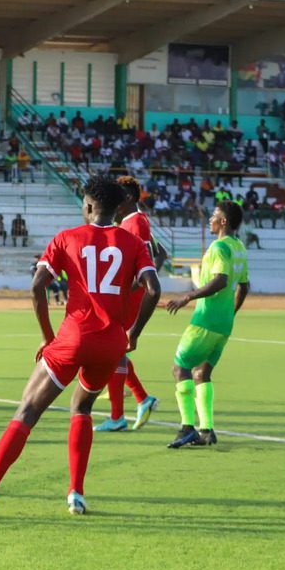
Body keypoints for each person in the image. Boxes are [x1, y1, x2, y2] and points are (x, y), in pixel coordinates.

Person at [0, 175, 161, 518]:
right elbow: (153, 289)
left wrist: (47, 336)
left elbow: (37, 285)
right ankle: (76, 493)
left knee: (27, 411)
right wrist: (134, 332)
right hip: (111, 343)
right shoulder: (132, 242)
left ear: (87, 206)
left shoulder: (67, 237)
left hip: (73, 337)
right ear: (118, 209)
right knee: (82, 408)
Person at [165, 201, 251, 448]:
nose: (210, 219)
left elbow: (221, 280)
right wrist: (231, 312)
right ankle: (207, 430)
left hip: (205, 320)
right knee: (202, 373)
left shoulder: (219, 247)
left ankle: (186, 427)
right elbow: (244, 286)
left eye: (214, 215)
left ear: (223, 221)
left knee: (179, 368)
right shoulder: (240, 248)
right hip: (224, 324)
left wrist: (187, 297)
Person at [94, 177, 160, 433]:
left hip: (128, 298)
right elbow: (159, 253)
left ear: (129, 198)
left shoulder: (137, 223)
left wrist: (128, 289)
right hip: (125, 295)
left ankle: (118, 416)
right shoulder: (130, 222)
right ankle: (141, 399)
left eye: (118, 196)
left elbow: (146, 262)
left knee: (114, 351)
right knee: (116, 351)